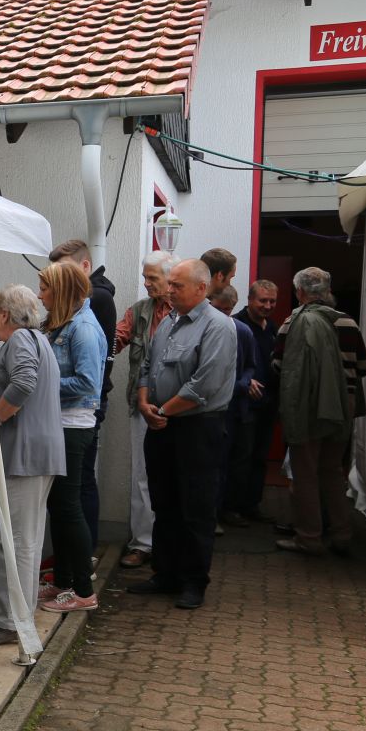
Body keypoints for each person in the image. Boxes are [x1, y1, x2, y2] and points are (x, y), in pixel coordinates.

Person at [129, 259, 237, 610]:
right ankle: (166, 574)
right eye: (170, 284)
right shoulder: (170, 322)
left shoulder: (218, 327)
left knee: (195, 506)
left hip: (196, 429)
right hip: (161, 424)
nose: (169, 290)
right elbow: (147, 364)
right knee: (164, 501)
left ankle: (193, 582)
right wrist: (145, 400)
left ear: (201, 289)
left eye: (177, 285)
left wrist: (162, 410)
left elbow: (204, 384)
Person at [0, 285, 64, 647]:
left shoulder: (20, 338)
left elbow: (23, 382)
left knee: (17, 540)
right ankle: (21, 615)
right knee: (27, 539)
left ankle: (10, 623)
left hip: (24, 454)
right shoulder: (38, 340)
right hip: (38, 453)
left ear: (4, 315)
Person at [271, 267, 366, 556]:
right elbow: (363, 367)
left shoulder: (293, 321)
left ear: (300, 293)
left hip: (308, 409)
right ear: (326, 291)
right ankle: (341, 534)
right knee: (333, 472)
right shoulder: (348, 322)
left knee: (305, 474)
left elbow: (279, 366)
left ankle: (309, 537)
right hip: (343, 409)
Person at [35, 261, 106, 613]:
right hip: (58, 424)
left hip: (73, 427)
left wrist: (39, 387)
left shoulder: (83, 329)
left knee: (67, 507)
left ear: (61, 291)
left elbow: (87, 382)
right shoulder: (59, 324)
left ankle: (83, 591)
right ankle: (63, 583)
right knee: (59, 508)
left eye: (45, 287)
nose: (39, 294)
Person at [48, 239, 116, 549]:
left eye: (63, 272)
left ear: (83, 268)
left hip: (79, 415)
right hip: (69, 413)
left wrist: (44, 387)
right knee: (66, 498)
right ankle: (71, 567)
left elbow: (90, 373)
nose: (47, 289)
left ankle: (82, 562)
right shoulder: (70, 318)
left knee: (76, 492)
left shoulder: (93, 306)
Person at [115, 251, 176, 569]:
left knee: (175, 475)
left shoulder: (184, 312)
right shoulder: (140, 311)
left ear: (170, 279)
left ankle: (172, 543)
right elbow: (117, 338)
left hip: (179, 409)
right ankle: (143, 544)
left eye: (152, 278)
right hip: (142, 406)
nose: (146, 283)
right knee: (142, 476)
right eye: (146, 277)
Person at [209, 285, 259, 528]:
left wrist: (240, 383)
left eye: (226, 310)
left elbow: (251, 365)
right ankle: (212, 513)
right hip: (210, 406)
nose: (222, 314)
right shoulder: (204, 329)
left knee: (230, 462)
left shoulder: (242, 331)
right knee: (213, 463)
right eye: (217, 309)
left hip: (234, 408)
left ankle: (224, 510)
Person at [230, 279, 280, 523]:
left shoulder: (272, 328)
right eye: (263, 300)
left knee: (260, 457)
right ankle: (233, 508)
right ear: (249, 300)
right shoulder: (236, 325)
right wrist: (244, 382)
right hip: (244, 405)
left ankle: (252, 505)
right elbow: (226, 363)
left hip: (268, 404)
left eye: (272, 301)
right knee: (242, 456)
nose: (268, 306)